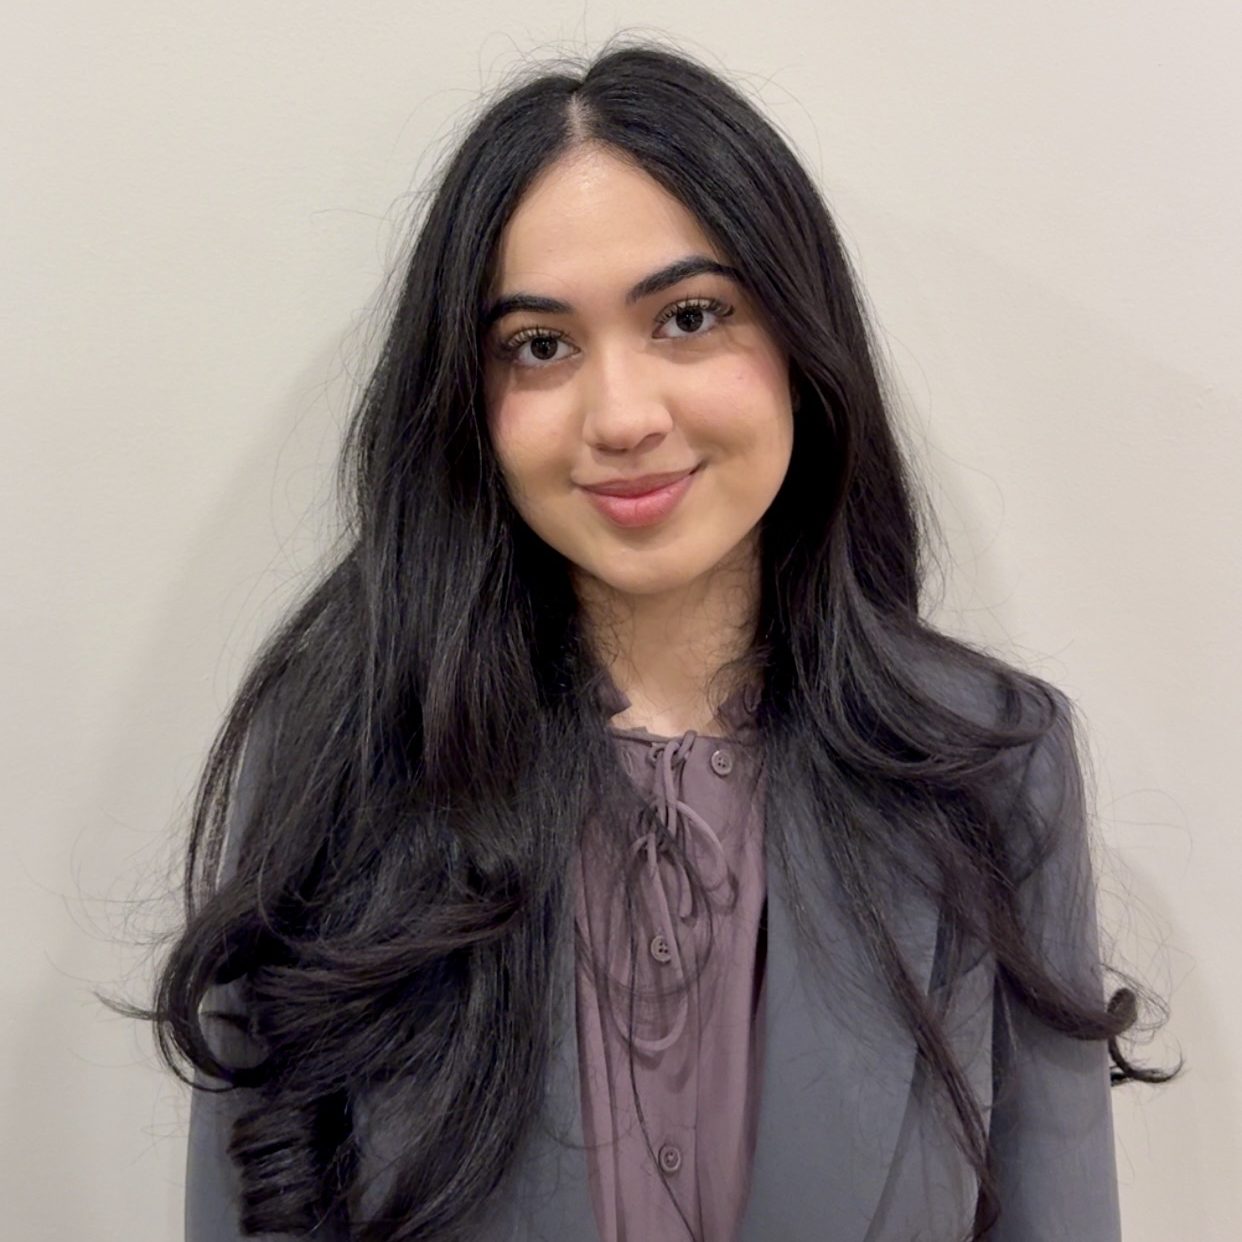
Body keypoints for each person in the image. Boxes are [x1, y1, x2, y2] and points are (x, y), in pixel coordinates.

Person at [136, 38, 1174, 1242]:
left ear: (800, 343)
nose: (623, 417)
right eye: (540, 345)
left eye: (689, 317)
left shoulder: (991, 766)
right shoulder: (343, 754)